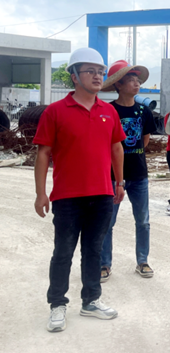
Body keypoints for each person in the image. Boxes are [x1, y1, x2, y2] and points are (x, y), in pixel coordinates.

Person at [33, 48, 126, 333]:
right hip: (67, 197)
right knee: (63, 252)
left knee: (93, 251)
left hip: (102, 195)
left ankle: (91, 301)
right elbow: (43, 153)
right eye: (90, 71)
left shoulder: (108, 111)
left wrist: (119, 182)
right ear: (74, 76)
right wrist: (41, 193)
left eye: (101, 72)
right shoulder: (55, 112)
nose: (98, 76)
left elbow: (116, 147)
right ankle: (57, 304)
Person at [99, 60, 157, 282]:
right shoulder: (108, 110)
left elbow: (145, 140)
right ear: (118, 85)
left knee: (143, 221)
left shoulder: (144, 111)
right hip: (112, 176)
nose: (136, 84)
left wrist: (133, 153)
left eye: (137, 80)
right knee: (108, 222)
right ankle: (104, 264)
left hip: (139, 175)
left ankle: (143, 261)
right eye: (131, 80)